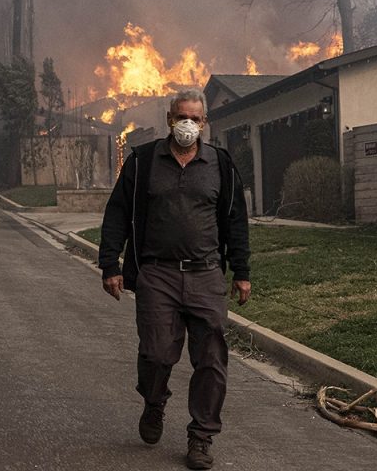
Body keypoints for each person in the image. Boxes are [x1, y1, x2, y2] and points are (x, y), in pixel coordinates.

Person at [98, 88, 251, 470]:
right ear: (170, 119)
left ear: (204, 123)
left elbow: (236, 221)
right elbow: (117, 212)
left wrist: (242, 272)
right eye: (182, 117)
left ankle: (201, 437)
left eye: (196, 118)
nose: (188, 124)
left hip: (206, 275)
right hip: (157, 274)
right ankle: (153, 403)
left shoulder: (220, 163)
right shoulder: (143, 161)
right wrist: (110, 264)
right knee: (155, 353)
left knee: (211, 361)